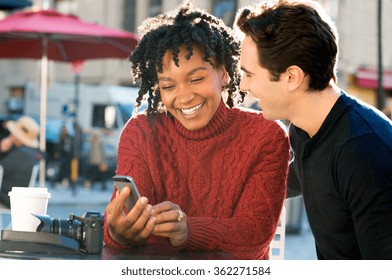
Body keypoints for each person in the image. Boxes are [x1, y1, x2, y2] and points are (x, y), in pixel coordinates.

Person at [104, 0, 290, 260]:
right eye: (168, 86)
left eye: (196, 79)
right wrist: (118, 234)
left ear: (223, 73)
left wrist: (188, 230)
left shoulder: (265, 136)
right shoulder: (141, 132)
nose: (184, 97)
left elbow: (254, 236)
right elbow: (119, 233)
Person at [236, 0, 392, 259]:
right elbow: (294, 178)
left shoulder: (365, 152)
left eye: (250, 74)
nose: (243, 85)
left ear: (292, 77)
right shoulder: (303, 129)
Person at [0, 116, 43, 208]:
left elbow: (1, 170)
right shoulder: (32, 154)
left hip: (6, 199)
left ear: (17, 136)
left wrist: (2, 151)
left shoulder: (20, 154)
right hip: (18, 198)